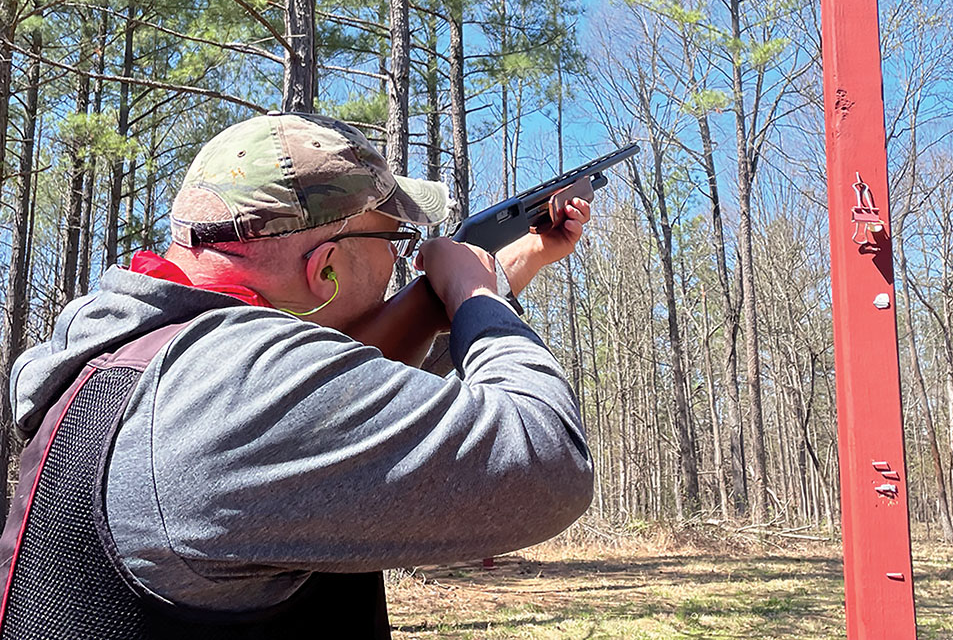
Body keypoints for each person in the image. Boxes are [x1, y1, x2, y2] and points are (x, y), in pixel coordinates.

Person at [0, 112, 593, 639]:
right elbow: (546, 460)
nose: (408, 260)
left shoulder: (145, 360)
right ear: (326, 268)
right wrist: (473, 293)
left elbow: (366, 388)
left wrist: (509, 269)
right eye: (397, 239)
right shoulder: (239, 388)